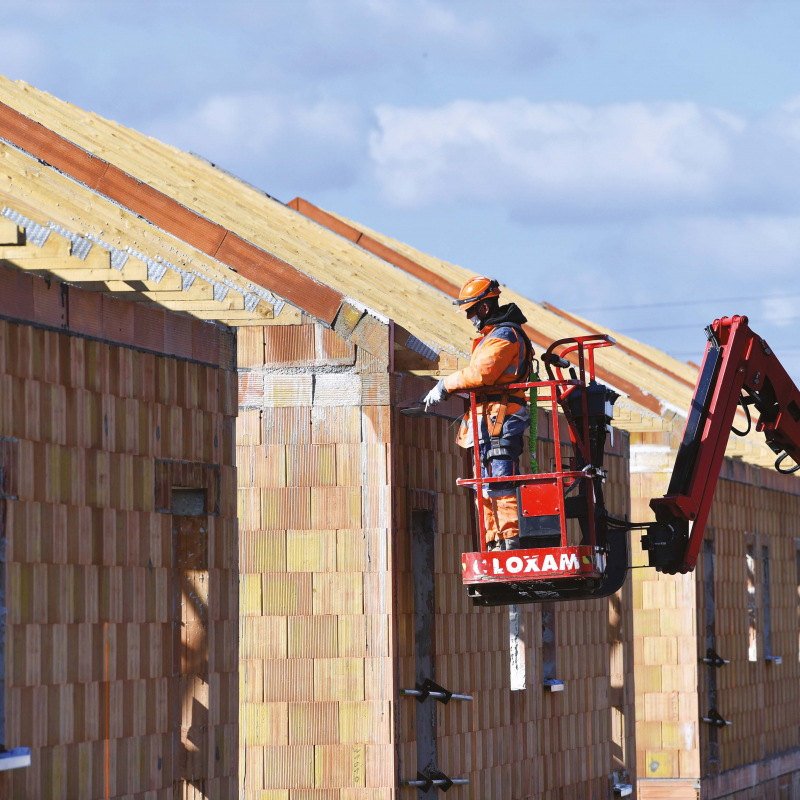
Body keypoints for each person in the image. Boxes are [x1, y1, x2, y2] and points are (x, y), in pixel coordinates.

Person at [424, 277, 533, 551]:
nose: (470, 317)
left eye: (471, 311)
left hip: (503, 417)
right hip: (491, 418)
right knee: (485, 484)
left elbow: (483, 374)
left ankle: (509, 542)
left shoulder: (505, 335)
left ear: (484, 307)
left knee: (498, 481)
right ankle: (495, 541)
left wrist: (445, 384)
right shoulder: (493, 335)